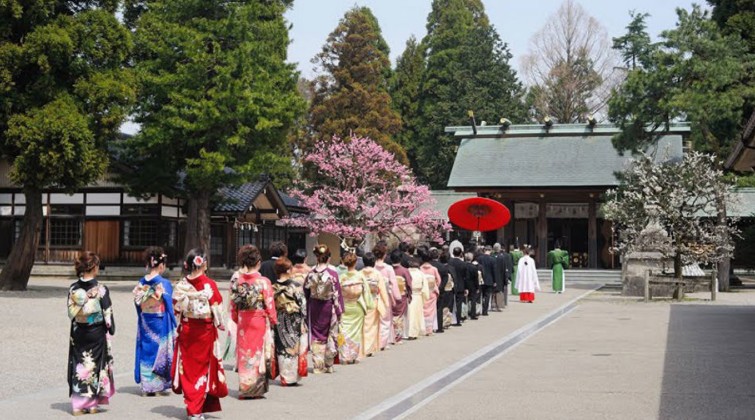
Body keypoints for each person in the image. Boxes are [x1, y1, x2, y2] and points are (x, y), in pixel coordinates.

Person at [172, 248, 228, 420]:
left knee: (189, 370)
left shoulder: (181, 286)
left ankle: (192, 405)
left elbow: (176, 309)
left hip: (188, 330)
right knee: (202, 369)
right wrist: (219, 322)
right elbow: (217, 305)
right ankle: (195, 410)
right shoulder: (208, 285)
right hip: (204, 331)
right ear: (202, 263)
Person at [67, 251, 115, 416]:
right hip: (96, 331)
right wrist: (110, 326)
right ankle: (91, 404)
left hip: (79, 331)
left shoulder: (73, 288)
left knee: (79, 363)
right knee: (94, 365)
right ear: (93, 267)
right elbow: (107, 312)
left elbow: (71, 312)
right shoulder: (101, 289)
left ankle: (78, 405)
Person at [229, 245, 277, 399]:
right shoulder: (263, 282)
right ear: (258, 262)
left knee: (244, 354)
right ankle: (255, 389)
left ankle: (245, 388)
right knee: (257, 354)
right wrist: (273, 319)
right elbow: (269, 303)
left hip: (244, 319)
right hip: (259, 319)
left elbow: (233, 305)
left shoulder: (238, 281)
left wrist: (236, 318)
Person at [133, 247, 176, 396]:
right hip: (160, 320)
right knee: (160, 351)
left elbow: (137, 303)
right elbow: (170, 305)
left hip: (146, 319)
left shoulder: (141, 282)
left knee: (146, 349)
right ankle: (156, 386)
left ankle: (146, 386)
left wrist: (142, 314)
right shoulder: (163, 283)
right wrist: (174, 321)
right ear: (161, 265)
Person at [303, 244, 344, 374]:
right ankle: (329, 364)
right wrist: (339, 311)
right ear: (328, 258)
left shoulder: (311, 274)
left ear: (316, 258)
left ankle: (318, 365)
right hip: (328, 306)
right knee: (330, 334)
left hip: (314, 306)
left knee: (316, 335)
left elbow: (306, 292)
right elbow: (337, 294)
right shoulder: (332, 274)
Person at [272, 257, 307, 386]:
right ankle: (291, 377)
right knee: (292, 347)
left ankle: (285, 376)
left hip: (279, 319)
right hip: (294, 319)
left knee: (282, 347)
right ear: (288, 270)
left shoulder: (273, 287)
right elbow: (302, 304)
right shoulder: (295, 286)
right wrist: (304, 320)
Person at [338, 252, 374, 363]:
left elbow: (338, 293)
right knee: (356, 332)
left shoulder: (342, 277)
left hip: (345, 306)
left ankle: (344, 355)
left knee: (343, 330)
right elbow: (366, 292)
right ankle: (353, 355)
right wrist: (369, 305)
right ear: (355, 263)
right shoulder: (360, 276)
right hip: (357, 306)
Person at [360, 252, 390, 356]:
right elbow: (382, 289)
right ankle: (369, 348)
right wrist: (386, 303)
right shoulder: (377, 274)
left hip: (362, 301)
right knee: (372, 326)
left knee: (363, 326)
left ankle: (363, 347)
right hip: (373, 301)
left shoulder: (360, 273)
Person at [374, 243, 400, 349]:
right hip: (385, 296)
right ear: (384, 255)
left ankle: (375, 341)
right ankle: (382, 343)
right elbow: (393, 284)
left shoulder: (372, 267)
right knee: (385, 320)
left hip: (373, 295)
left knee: (375, 319)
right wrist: (397, 296)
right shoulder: (388, 268)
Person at [389, 249, 412, 343]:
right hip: (401, 295)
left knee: (391, 316)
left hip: (390, 295)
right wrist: (410, 295)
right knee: (399, 316)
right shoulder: (404, 271)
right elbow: (409, 284)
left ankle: (391, 335)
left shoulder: (389, 269)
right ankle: (397, 337)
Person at [418, 246, 441, 335]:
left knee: (423, 309)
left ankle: (423, 327)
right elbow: (439, 280)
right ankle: (430, 328)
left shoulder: (420, 269)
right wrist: (435, 287)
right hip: (432, 291)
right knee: (431, 311)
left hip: (423, 291)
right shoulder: (434, 269)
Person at [428, 248, 451, 332]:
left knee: (428, 308)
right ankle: (439, 327)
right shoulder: (442, 267)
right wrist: (441, 287)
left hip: (428, 289)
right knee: (439, 308)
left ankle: (428, 326)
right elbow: (445, 278)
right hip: (439, 289)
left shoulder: (427, 266)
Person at [406, 257, 430, 339]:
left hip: (408, 295)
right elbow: (425, 287)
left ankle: (407, 332)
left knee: (408, 314)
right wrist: (425, 296)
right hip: (418, 295)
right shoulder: (420, 273)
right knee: (416, 315)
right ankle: (414, 332)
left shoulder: (407, 272)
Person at [447, 247, 470, 326]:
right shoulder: (463, 264)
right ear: (460, 254)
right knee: (459, 303)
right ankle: (458, 320)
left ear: (453, 253)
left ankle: (448, 320)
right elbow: (466, 277)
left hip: (451, 284)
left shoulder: (449, 262)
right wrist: (466, 288)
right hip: (460, 285)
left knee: (450, 303)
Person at [477, 246, 497, 316]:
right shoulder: (493, 259)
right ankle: (485, 311)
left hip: (481, 278)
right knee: (487, 295)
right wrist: (495, 281)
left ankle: (478, 309)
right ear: (490, 251)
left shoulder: (479, 258)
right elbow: (494, 271)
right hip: (489, 279)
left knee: (480, 295)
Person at [493, 243, 513, 311]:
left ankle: (493, 304)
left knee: (493, 291)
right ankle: (499, 305)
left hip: (493, 276)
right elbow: (504, 269)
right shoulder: (502, 257)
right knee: (499, 291)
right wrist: (506, 278)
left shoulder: (491, 256)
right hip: (500, 277)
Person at [465, 252, 481, 320]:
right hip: (472, 285)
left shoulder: (464, 265)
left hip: (465, 284)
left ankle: (464, 313)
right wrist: (477, 287)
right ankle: (472, 314)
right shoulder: (474, 267)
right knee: (473, 300)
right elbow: (476, 278)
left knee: (465, 300)